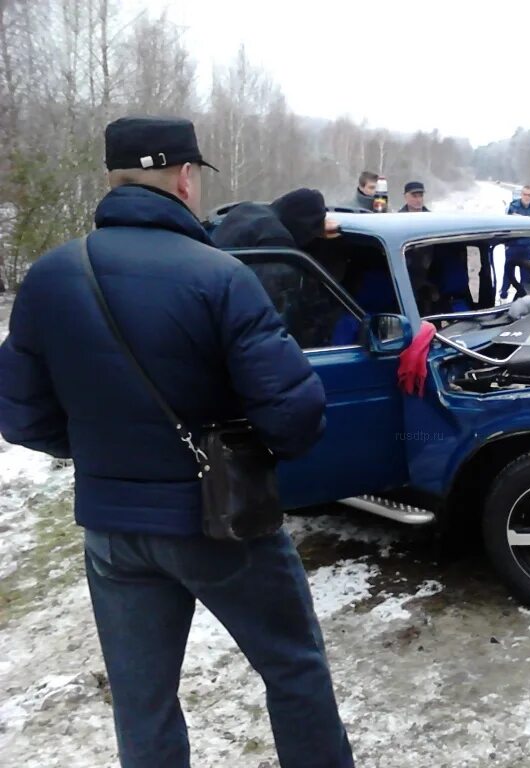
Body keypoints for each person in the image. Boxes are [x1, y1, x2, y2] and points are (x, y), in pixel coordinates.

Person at [0, 116, 356, 768]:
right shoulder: (219, 277)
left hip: (112, 533)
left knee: (143, 705)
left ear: (114, 177)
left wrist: (105, 450)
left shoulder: (52, 277)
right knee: (294, 670)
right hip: (224, 525)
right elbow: (297, 416)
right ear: (185, 178)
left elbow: (20, 417)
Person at [211, 187, 340, 250]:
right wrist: (317, 229)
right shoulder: (276, 238)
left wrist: (317, 226)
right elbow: (275, 292)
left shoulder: (246, 209)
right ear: (304, 227)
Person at [500, 185, 530, 300]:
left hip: (527, 247)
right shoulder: (513, 207)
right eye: (525, 194)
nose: (527, 197)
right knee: (508, 271)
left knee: (526, 275)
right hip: (513, 246)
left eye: (529, 195)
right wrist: (507, 242)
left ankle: (523, 295)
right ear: (521, 195)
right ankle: (503, 293)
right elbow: (506, 227)